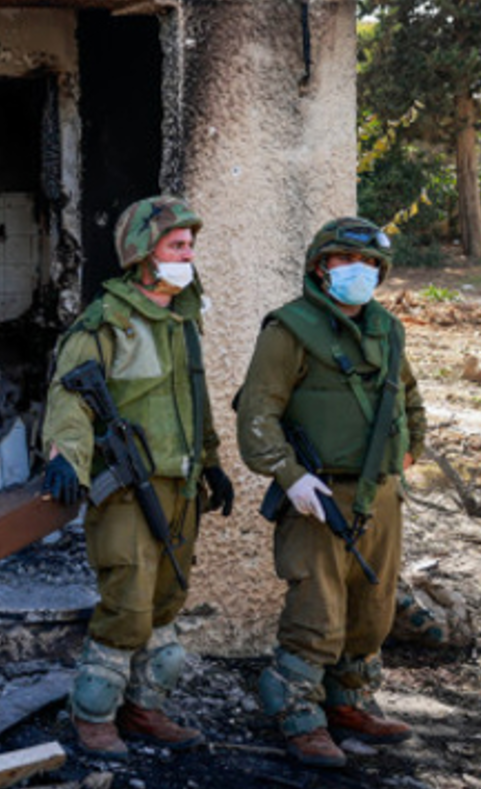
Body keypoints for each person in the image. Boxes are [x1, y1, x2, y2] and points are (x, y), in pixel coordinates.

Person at [39, 195, 236, 756]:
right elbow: (69, 396)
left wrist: (214, 462)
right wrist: (65, 458)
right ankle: (94, 715)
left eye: (190, 246)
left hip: (181, 485)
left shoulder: (183, 319)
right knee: (126, 603)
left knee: (167, 600)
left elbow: (195, 400)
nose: (188, 255)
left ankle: (146, 709)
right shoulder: (107, 321)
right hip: (125, 488)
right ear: (143, 254)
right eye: (177, 245)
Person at [236, 217, 425, 769]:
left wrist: (406, 453)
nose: (360, 273)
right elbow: (257, 415)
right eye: (348, 262)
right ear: (322, 267)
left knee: (372, 608)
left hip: (380, 494)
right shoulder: (289, 330)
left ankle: (349, 704)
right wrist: (290, 476)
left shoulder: (387, 330)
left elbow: (409, 398)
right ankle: (299, 715)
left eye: (370, 265)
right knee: (316, 611)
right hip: (317, 494)